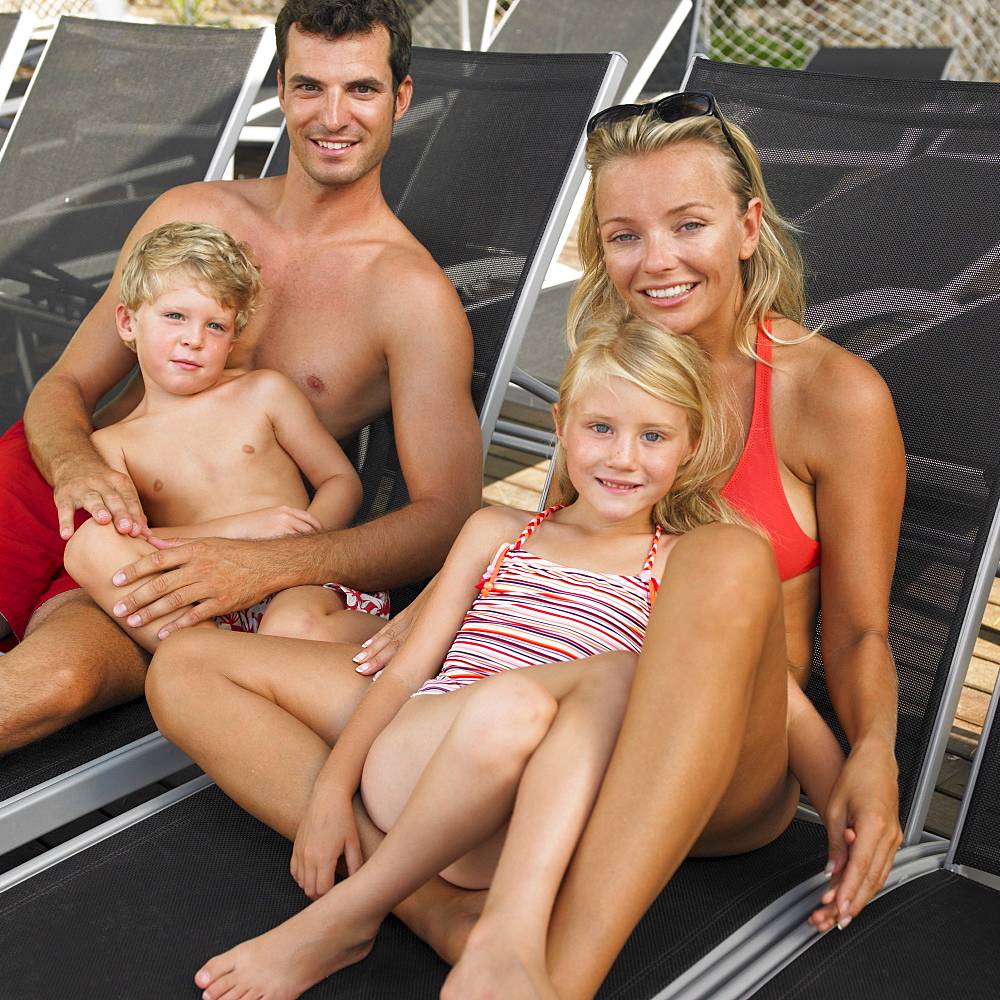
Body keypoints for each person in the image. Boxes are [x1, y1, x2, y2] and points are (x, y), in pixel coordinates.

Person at [355, 93, 907, 993]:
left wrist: (875, 752)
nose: (655, 263)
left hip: (718, 761)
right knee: (224, 671)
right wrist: (437, 613)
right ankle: (436, 911)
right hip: (566, 714)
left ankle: (554, 979)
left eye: (687, 224)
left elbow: (858, 632)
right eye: (623, 236)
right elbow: (559, 547)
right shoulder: (616, 378)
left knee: (727, 555)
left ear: (746, 227)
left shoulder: (831, 396)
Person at [144, 315, 847, 1000]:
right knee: (184, 663)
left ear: (689, 447)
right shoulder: (498, 532)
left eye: (653, 436)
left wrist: (848, 811)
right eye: (600, 428)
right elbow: (410, 670)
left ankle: (425, 917)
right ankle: (442, 924)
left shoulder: (680, 566)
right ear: (562, 427)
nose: (623, 457)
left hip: (518, 822)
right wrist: (332, 785)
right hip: (417, 765)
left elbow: (781, 706)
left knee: (583, 693)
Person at [0, 0, 482, 753]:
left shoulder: (409, 297)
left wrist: (263, 564)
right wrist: (74, 468)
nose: (333, 115)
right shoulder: (190, 213)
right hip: (69, 487)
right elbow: (63, 387)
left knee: (49, 684)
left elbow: (446, 513)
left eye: (361, 88)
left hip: (187, 569)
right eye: (309, 87)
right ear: (281, 90)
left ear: (403, 96)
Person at [64, 221, 396, 653]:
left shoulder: (263, 393)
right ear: (128, 323)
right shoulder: (113, 445)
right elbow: (138, 540)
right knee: (91, 546)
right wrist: (242, 529)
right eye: (175, 316)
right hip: (208, 603)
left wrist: (296, 548)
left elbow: (340, 480)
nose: (194, 339)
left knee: (294, 627)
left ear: (233, 338)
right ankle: (214, 660)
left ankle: (413, 645)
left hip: (301, 580)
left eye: (216, 326)